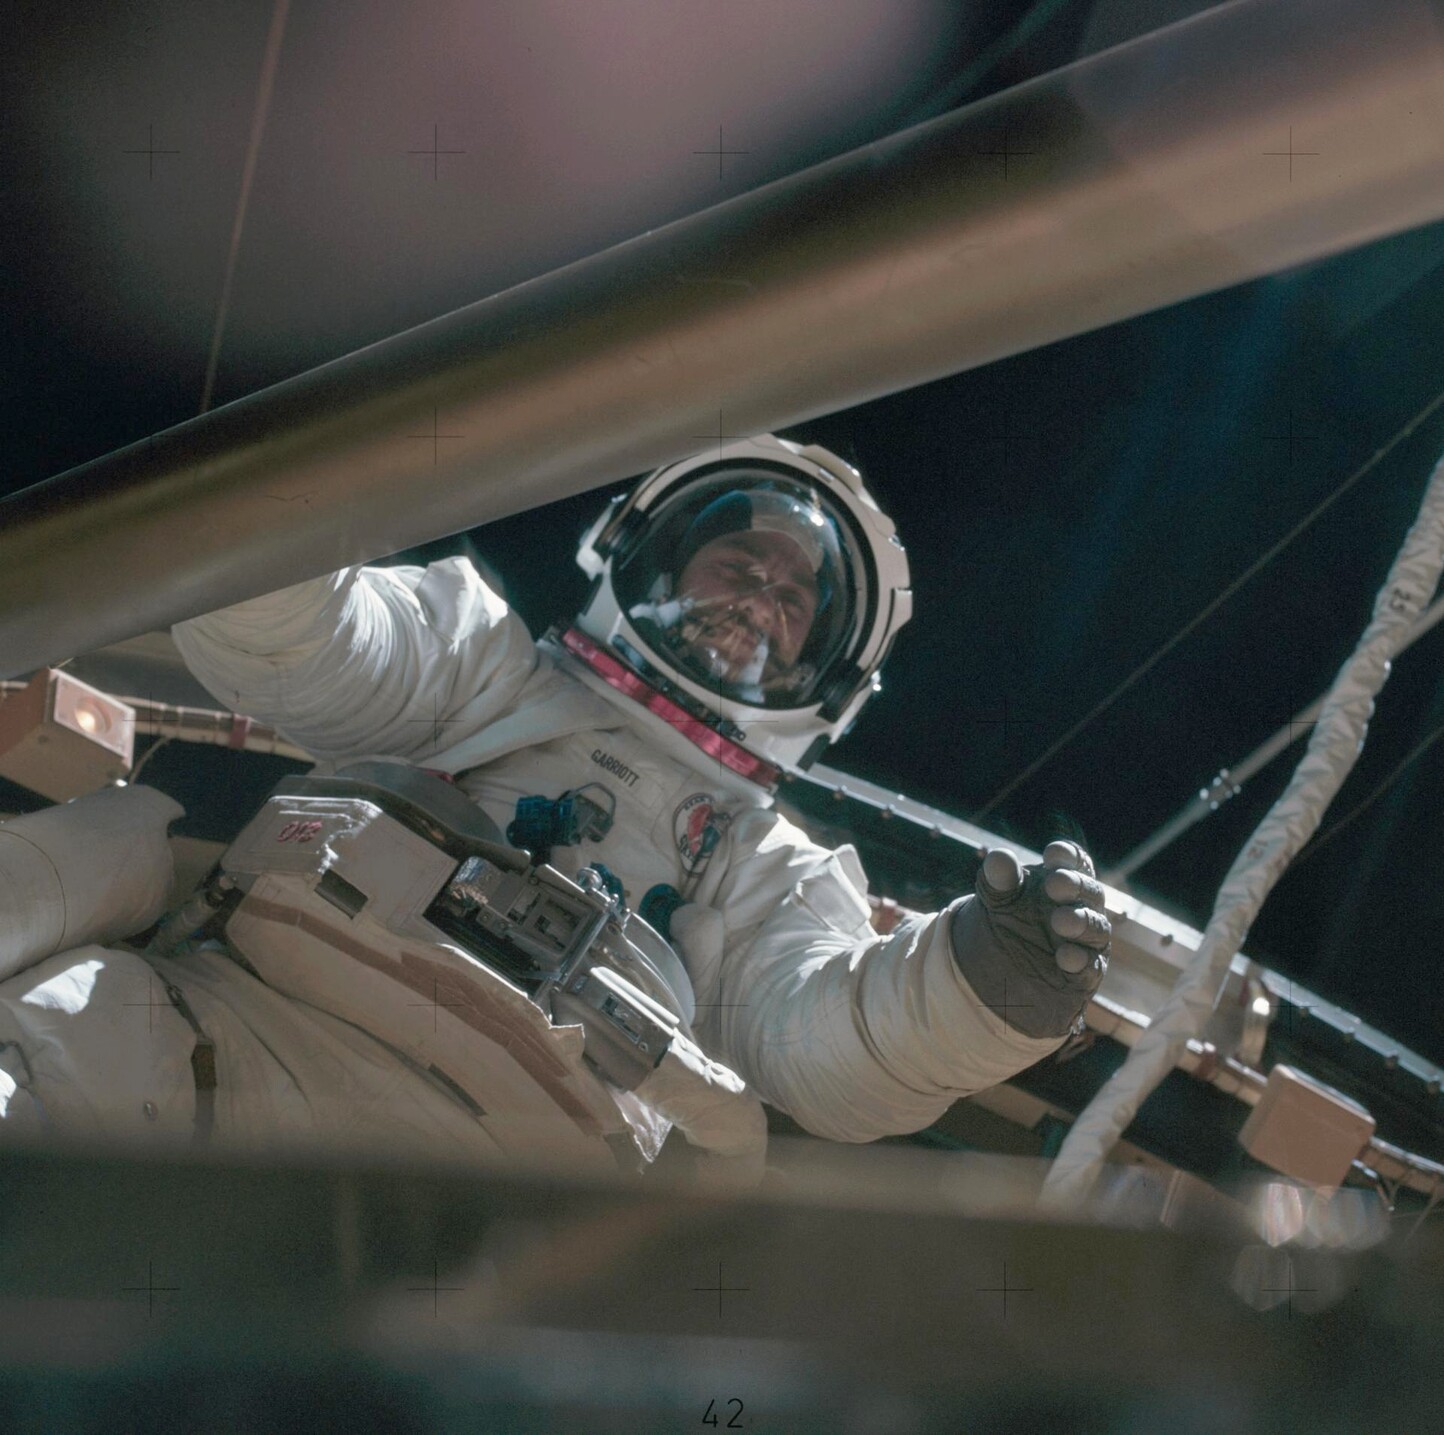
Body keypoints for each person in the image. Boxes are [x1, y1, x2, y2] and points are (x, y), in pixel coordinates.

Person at [0, 434, 1110, 1186]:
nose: (759, 600)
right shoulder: (478, 667)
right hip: (241, 1019)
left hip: (486, 1172)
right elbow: (312, 642)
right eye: (738, 562)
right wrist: (274, 504)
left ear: (831, 677)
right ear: (648, 554)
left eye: (791, 599)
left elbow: (832, 1032)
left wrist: (976, 989)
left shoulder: (771, 870)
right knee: (63, 1034)